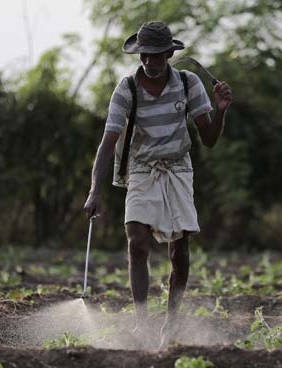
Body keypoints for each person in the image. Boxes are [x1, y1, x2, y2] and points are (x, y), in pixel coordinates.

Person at [83, 21, 232, 344]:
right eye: (144, 56)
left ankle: (171, 321)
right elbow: (107, 144)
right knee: (136, 240)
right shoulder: (127, 89)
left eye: (155, 56)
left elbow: (208, 139)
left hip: (178, 168)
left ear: (168, 53)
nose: (149, 62)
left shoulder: (188, 82)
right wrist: (95, 191)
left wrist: (220, 112)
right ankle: (141, 321)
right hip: (141, 169)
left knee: (179, 248)